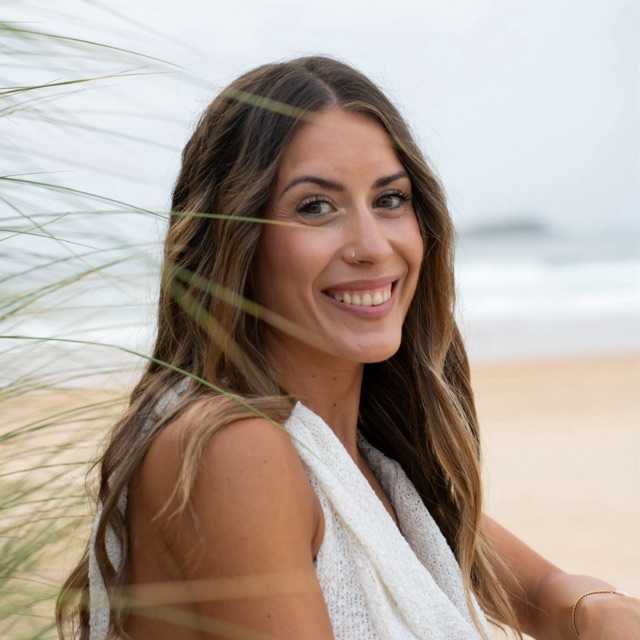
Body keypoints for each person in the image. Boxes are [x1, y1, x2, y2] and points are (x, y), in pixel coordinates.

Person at [56, 55, 639, 640]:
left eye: (390, 200)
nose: (372, 246)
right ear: (236, 236)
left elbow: (543, 594)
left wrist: (596, 608)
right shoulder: (235, 450)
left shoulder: (369, 469)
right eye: (316, 207)